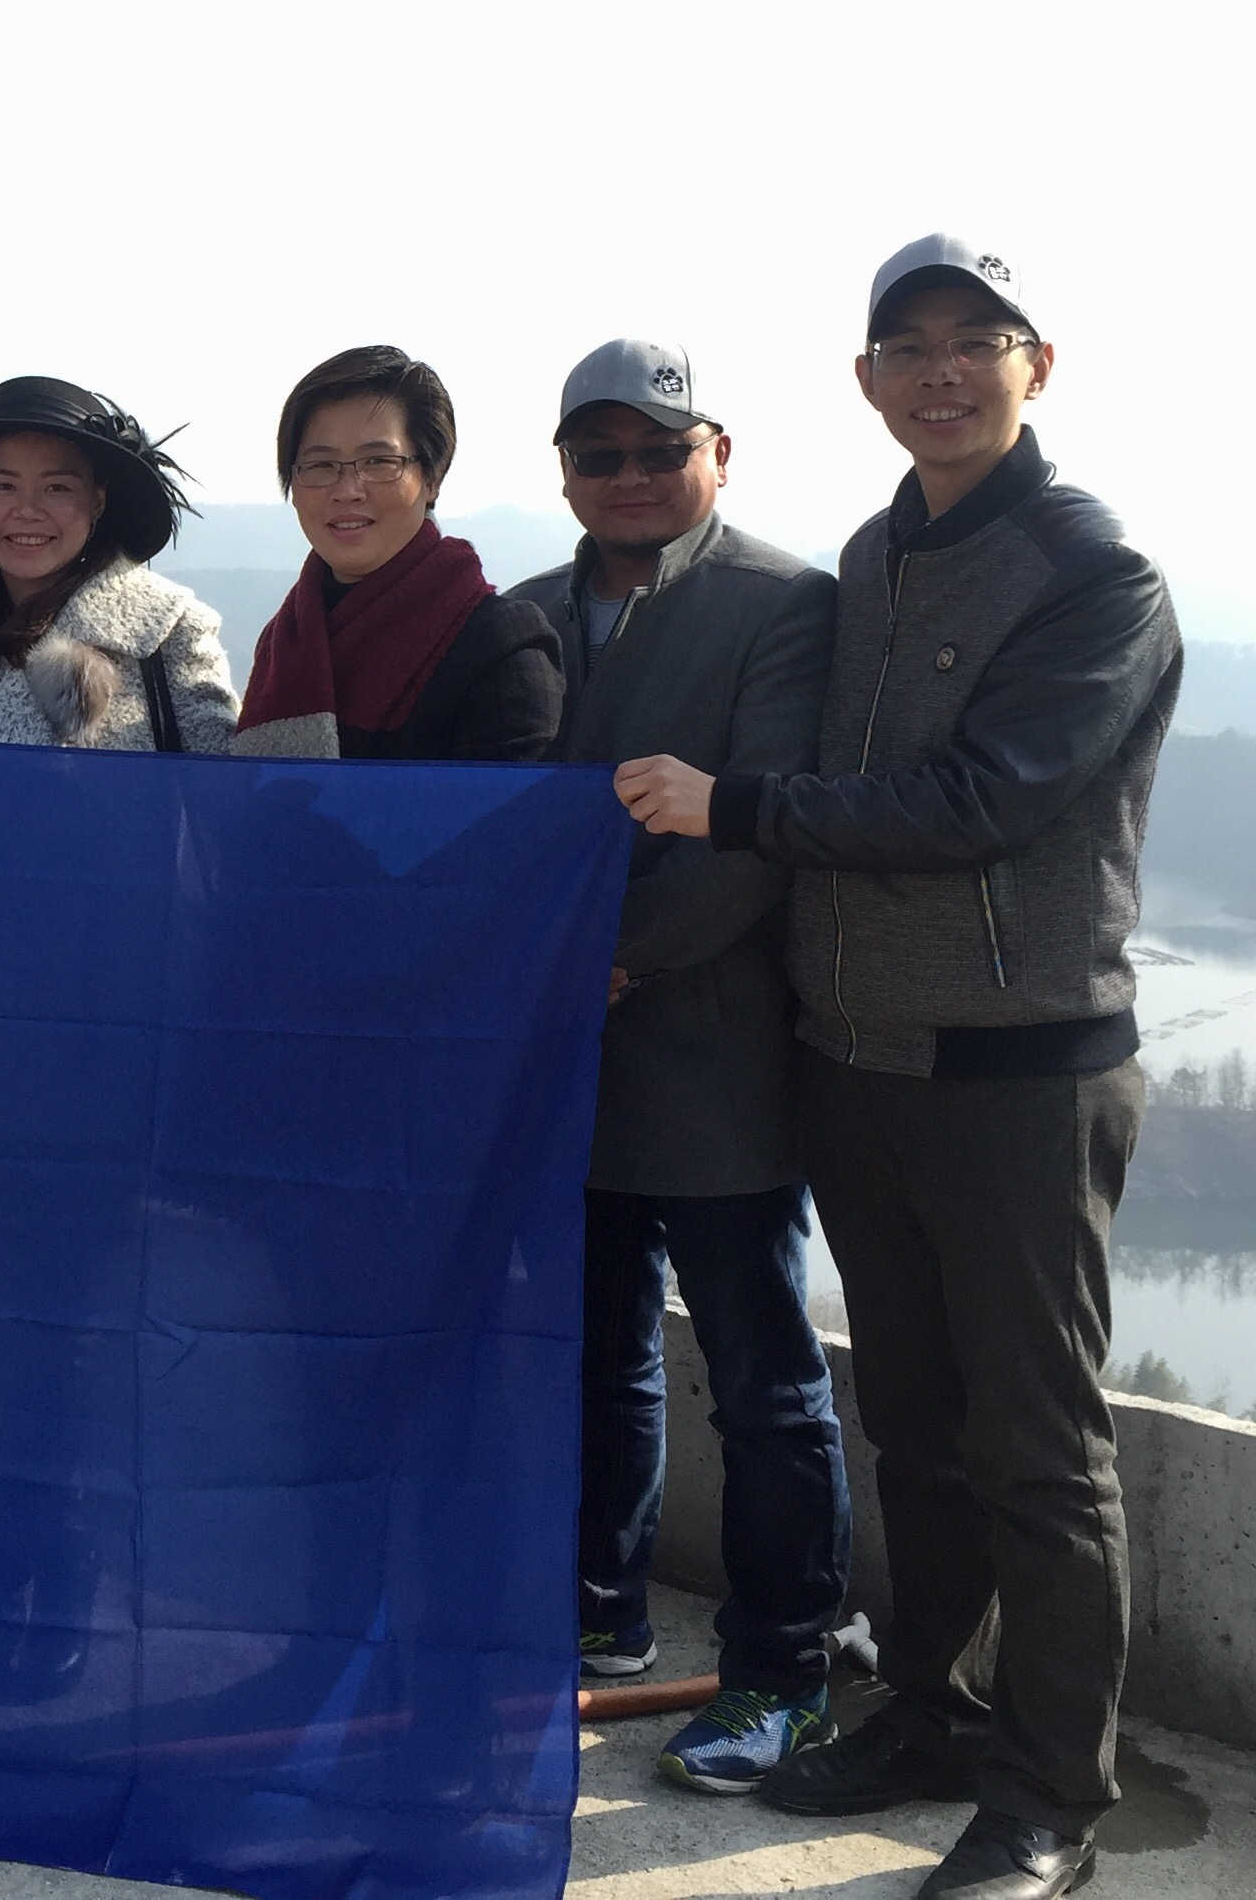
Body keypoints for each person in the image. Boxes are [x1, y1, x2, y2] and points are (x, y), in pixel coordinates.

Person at [615, 236, 1181, 1900]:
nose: (940, 372)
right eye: (907, 346)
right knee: (917, 1429)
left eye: (973, 342)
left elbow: (982, 802)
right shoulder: (869, 558)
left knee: (1040, 1451)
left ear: (1034, 366)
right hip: (857, 1064)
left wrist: (729, 805)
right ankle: (930, 1713)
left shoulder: (1093, 573)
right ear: (865, 379)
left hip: (1021, 1074)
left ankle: (1049, 1800)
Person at [509, 338, 850, 1796]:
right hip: (563, 1066)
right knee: (594, 1353)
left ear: (720, 454)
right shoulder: (527, 614)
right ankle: (603, 1612)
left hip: (720, 1057)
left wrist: (604, 957)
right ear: (565, 472)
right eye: (602, 455)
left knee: (763, 1378)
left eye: (663, 449)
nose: (633, 477)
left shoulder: (784, 604)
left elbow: (758, 833)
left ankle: (786, 1669)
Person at [229, 345, 560, 761]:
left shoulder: (498, 643)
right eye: (321, 465)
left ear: (432, 478)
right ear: (293, 485)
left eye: (379, 462)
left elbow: (503, 802)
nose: (348, 490)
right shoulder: (284, 643)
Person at [0, 376, 237, 751]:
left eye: (57, 488)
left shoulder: (168, 631)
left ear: (97, 502)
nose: (27, 510)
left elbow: (224, 775)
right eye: (4, 486)